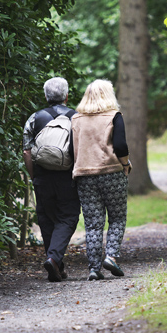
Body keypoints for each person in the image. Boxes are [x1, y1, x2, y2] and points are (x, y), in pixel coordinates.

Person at [71, 79, 131, 281]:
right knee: (117, 218)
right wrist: (125, 164)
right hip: (111, 173)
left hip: (84, 176)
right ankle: (111, 257)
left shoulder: (76, 119)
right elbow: (121, 146)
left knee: (93, 224)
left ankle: (94, 268)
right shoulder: (113, 116)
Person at [22, 77, 81, 282]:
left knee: (47, 219)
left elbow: (27, 152)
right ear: (66, 96)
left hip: (42, 176)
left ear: (46, 96)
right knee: (68, 216)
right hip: (68, 176)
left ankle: (55, 261)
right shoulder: (77, 118)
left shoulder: (34, 118)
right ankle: (54, 260)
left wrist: (34, 176)